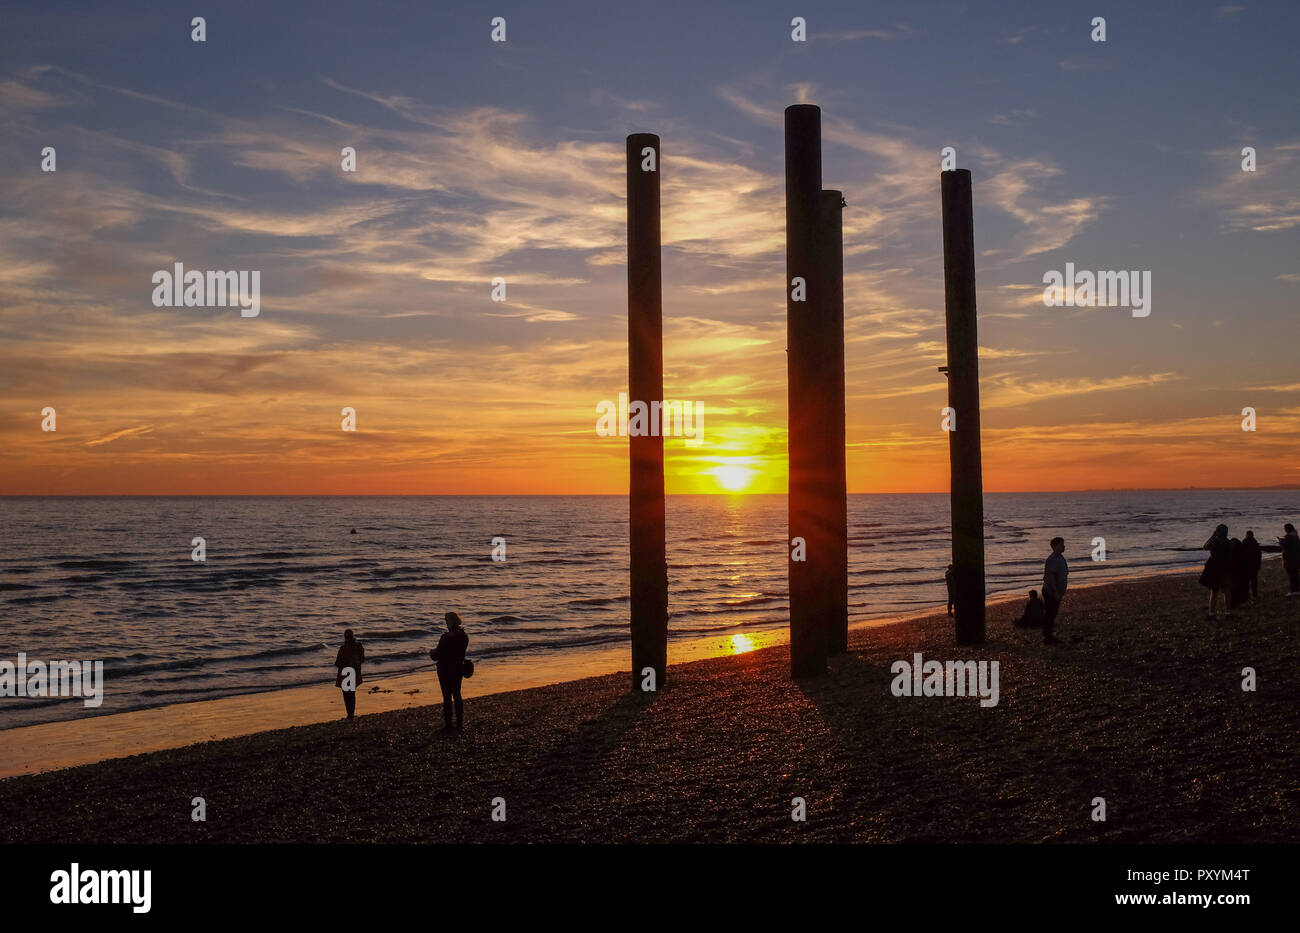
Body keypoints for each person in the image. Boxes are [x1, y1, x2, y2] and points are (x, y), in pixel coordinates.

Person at [429, 611, 469, 732]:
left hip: (445, 669)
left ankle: (448, 725)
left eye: (446, 620)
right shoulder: (464, 636)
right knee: (457, 694)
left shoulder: (446, 637)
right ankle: (459, 724)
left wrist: (431, 652)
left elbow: (437, 655)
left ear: (450, 622)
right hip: (458, 667)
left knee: (447, 697)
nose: (445, 622)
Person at [1200, 524, 1232, 618]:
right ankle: (1228, 613)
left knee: (1214, 592)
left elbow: (1205, 547)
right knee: (1227, 592)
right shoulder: (1229, 543)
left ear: (1217, 532)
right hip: (1226, 568)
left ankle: (1212, 613)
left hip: (1215, 569)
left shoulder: (1215, 542)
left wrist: (1213, 536)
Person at [1041, 537, 1068, 644]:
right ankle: (1048, 636)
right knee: (1050, 613)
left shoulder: (1060, 557)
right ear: (1055, 546)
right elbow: (1051, 577)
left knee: (1052, 613)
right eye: (1062, 544)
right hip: (1051, 592)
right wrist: (1056, 592)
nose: (1064, 546)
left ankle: (1048, 634)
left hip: (1056, 592)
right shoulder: (1052, 559)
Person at [334, 629, 364, 720]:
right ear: (353, 636)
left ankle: (349, 715)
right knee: (352, 694)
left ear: (345, 637)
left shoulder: (343, 648)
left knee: (346, 696)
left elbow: (337, 663)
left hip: (345, 673)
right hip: (354, 672)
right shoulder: (358, 646)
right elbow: (362, 659)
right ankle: (351, 715)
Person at [1280, 523, 1300, 596]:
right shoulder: (1296, 536)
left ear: (1287, 529)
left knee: (1292, 575)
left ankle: (1293, 591)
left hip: (1290, 559)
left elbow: (1284, 546)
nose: (1284, 530)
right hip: (1296, 559)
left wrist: (1280, 541)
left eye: (1285, 528)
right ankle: (1297, 590)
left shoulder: (1289, 537)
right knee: (1295, 575)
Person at [1242, 530, 1263, 599]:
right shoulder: (1255, 543)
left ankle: (1251, 595)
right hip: (1252, 565)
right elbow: (1259, 555)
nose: (1246, 536)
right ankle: (1252, 594)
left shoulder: (1246, 542)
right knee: (1251, 581)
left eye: (1247, 535)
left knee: (1249, 581)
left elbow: (1258, 555)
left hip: (1250, 565)